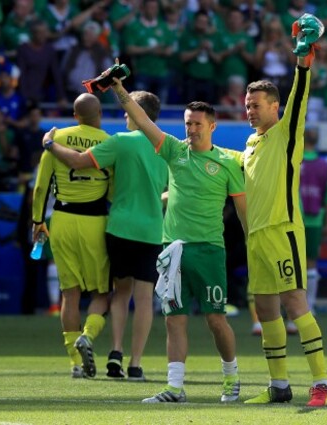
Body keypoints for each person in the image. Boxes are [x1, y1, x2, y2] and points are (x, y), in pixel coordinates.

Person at [109, 78, 247, 403]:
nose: (192, 129)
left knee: (216, 319)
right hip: (173, 250)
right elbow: (141, 119)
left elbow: (243, 211)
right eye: (188, 123)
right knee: (174, 320)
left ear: (212, 126)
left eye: (198, 124)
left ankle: (231, 378)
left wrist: (253, 243)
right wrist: (118, 89)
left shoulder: (228, 163)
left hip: (210, 250)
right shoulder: (173, 150)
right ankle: (174, 388)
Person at [241, 14, 327, 407]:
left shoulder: (285, 132)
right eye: (247, 104)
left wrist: (303, 60)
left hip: (283, 229)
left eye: (256, 104)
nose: (250, 110)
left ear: (275, 107)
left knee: (296, 304)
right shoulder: (250, 143)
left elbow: (301, 96)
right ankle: (279, 385)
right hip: (257, 236)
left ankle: (322, 383)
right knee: (265, 310)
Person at [41, 90, 168, 382]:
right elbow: (174, 190)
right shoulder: (167, 146)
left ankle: (115, 353)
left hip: (119, 226)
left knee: (119, 293)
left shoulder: (120, 142)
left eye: (127, 110)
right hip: (151, 229)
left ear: (136, 112)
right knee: (145, 298)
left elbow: (78, 161)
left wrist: (50, 144)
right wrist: (155, 197)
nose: (124, 115)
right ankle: (136, 364)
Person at [32, 93, 111, 379]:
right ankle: (88, 335)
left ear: (75, 115)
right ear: (99, 113)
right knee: (102, 292)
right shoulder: (109, 142)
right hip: (96, 222)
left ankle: (75, 363)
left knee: (70, 293)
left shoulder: (55, 139)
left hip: (62, 220)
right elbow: (113, 190)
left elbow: (41, 188)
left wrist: (38, 222)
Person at [300, 127, 327, 315]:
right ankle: (308, 306)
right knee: (311, 263)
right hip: (315, 220)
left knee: (289, 263)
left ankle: (289, 306)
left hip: (291, 219)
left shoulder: (294, 161)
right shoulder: (325, 166)